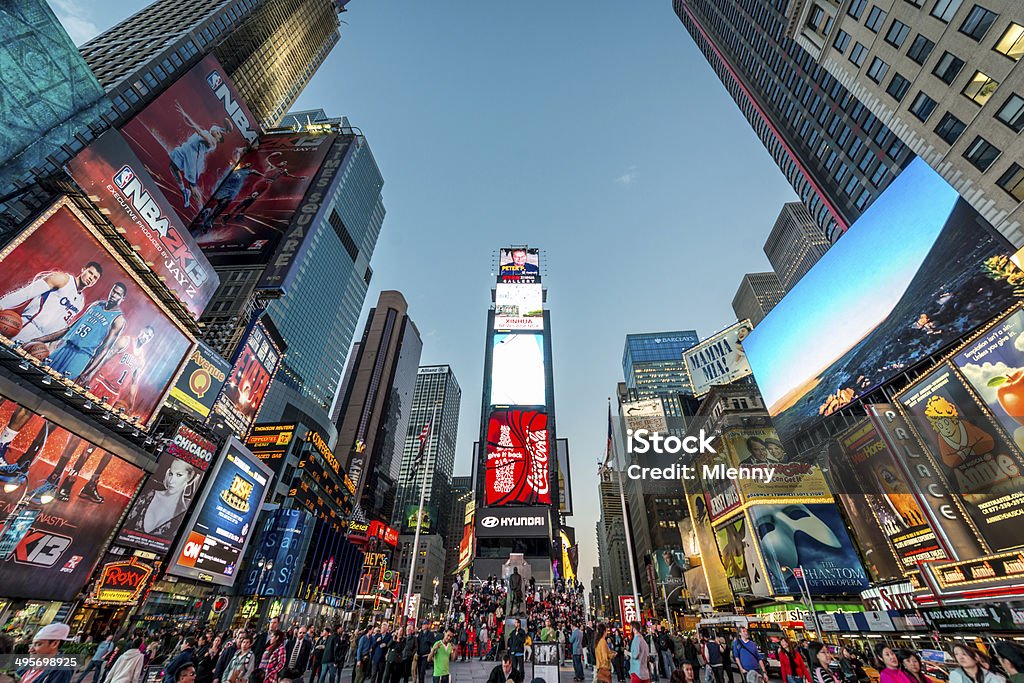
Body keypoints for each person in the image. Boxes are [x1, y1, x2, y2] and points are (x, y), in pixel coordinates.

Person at [168, 104, 234, 209]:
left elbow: (197, 129)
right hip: (186, 148)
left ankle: (201, 208)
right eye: (218, 131)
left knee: (193, 186)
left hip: (193, 158)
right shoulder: (215, 130)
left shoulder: (212, 141)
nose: (216, 130)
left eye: (218, 133)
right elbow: (226, 130)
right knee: (172, 167)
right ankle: (185, 192)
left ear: (218, 138)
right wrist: (227, 128)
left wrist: (185, 115)